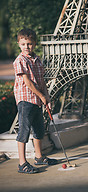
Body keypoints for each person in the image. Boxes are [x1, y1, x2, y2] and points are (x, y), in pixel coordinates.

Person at [13, 28, 58, 174]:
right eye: (23, 44)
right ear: (19, 44)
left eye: (30, 44)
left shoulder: (37, 60)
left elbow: (42, 81)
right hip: (26, 99)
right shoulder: (19, 60)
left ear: (35, 44)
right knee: (24, 131)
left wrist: (47, 97)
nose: (27, 47)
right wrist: (42, 96)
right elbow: (28, 82)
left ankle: (39, 157)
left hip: (37, 100)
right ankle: (22, 163)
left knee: (39, 129)